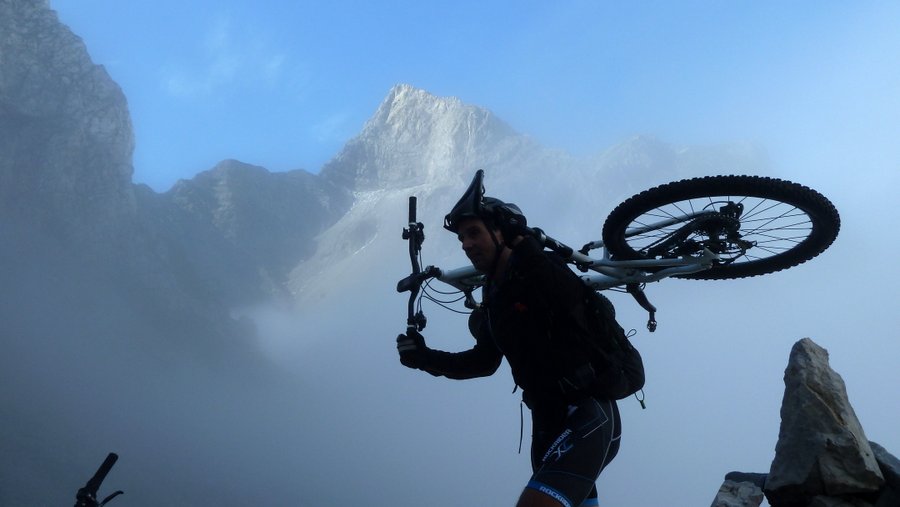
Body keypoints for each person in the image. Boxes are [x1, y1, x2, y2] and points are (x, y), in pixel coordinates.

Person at [396, 173, 621, 507]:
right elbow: (483, 362)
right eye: (461, 239)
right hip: (547, 420)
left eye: (473, 233)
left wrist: (526, 246)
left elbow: (567, 297)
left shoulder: (540, 269)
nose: (466, 244)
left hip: (587, 414)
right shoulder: (494, 294)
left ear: (503, 231)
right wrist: (425, 358)